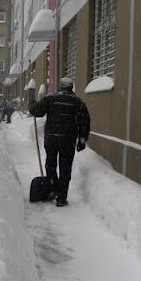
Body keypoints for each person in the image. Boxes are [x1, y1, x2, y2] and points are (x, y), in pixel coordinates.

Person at [28, 77, 90, 207]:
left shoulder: (50, 99)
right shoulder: (78, 102)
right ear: (71, 88)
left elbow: (36, 111)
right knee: (65, 167)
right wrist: (82, 139)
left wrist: (32, 103)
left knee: (51, 164)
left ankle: (54, 189)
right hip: (68, 140)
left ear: (60, 87)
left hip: (51, 138)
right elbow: (84, 122)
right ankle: (61, 197)